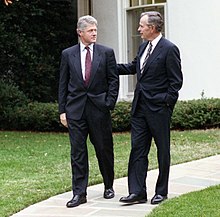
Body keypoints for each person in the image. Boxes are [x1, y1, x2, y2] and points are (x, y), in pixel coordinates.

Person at [118, 11, 183, 205]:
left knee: (162, 151)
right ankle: (137, 192)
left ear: (152, 28)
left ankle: (161, 191)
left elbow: (176, 82)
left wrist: (165, 103)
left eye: (141, 26)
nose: (138, 29)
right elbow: (133, 67)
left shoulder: (169, 49)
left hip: (159, 110)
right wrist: (105, 65)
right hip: (139, 109)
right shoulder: (143, 46)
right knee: (137, 149)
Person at [58, 15, 119, 208]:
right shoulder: (68, 54)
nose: (94, 33)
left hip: (99, 110)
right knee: (77, 152)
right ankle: (79, 193)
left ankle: (108, 186)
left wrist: (109, 103)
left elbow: (113, 80)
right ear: (80, 32)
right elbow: (63, 84)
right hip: (75, 111)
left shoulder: (106, 52)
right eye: (90, 30)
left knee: (104, 149)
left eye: (95, 30)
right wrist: (62, 110)